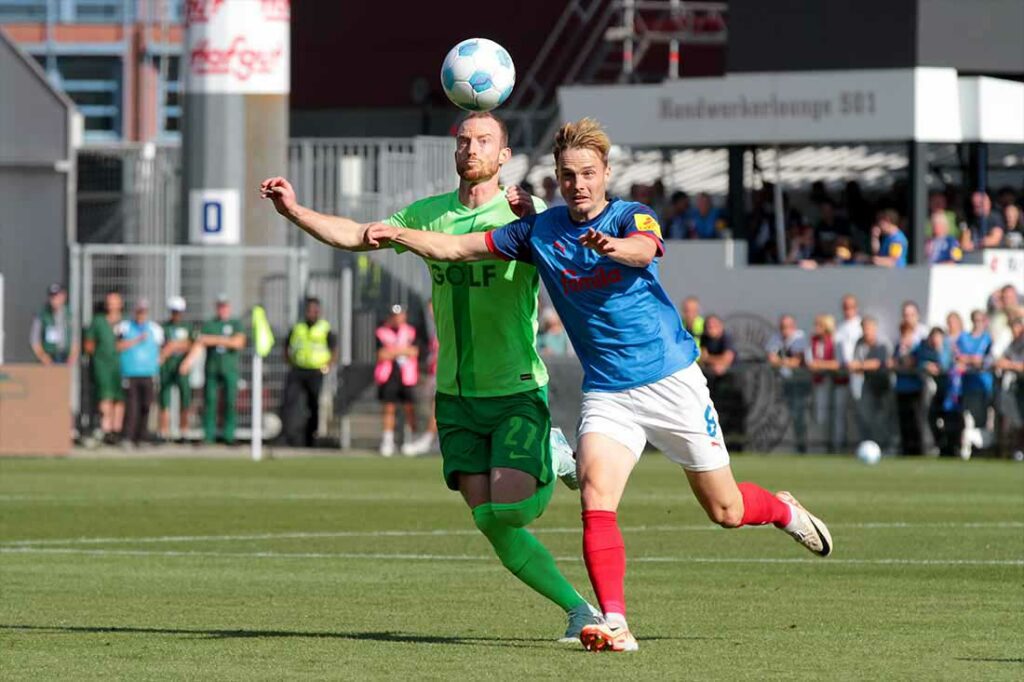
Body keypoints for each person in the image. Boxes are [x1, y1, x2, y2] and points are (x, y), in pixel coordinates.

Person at [366, 117, 834, 653]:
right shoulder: (540, 231)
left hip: (672, 382)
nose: (579, 184)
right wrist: (400, 233)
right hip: (609, 392)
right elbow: (458, 248)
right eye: (568, 175)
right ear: (557, 181)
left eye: (588, 173)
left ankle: (784, 511)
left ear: (606, 173)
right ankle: (615, 622)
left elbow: (642, 250)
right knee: (595, 495)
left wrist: (612, 247)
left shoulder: (632, 215)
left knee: (725, 511)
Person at [260, 111, 600, 643]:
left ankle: (554, 453)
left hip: (514, 388)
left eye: (484, 141)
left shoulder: (525, 215)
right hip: (455, 396)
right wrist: (294, 209)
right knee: (487, 521)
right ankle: (580, 610)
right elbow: (354, 234)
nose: (470, 148)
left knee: (510, 507)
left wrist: (534, 209)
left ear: (504, 156)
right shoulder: (429, 214)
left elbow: (572, 239)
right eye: (463, 140)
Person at [283, 296, 337, 447]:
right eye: (309, 310)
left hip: (316, 371)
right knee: (290, 402)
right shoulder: (298, 327)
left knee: (313, 405)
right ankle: (289, 436)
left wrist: (327, 365)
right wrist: (289, 362)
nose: (312, 313)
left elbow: (333, 349)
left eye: (315, 310)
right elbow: (286, 345)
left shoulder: (324, 328)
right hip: (298, 369)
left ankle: (311, 438)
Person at [196, 295, 246, 445]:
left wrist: (216, 339)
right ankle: (208, 435)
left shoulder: (236, 323)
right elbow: (202, 340)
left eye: (225, 306)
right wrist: (226, 340)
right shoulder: (210, 323)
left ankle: (228, 435)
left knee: (230, 401)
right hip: (212, 369)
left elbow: (238, 343)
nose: (222, 309)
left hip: (230, 369)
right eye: (220, 306)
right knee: (210, 401)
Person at [115, 299, 163, 447]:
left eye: (144, 312)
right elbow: (118, 346)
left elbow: (161, 348)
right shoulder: (125, 327)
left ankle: (143, 437)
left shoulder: (155, 329)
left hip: (148, 373)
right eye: (139, 311)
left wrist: (157, 363)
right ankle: (128, 437)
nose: (141, 315)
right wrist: (137, 340)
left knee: (146, 405)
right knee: (132, 406)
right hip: (130, 372)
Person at [374, 304, 419, 456]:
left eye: (400, 315)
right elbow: (382, 354)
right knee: (389, 408)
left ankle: (410, 440)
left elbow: (415, 351)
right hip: (388, 375)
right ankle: (388, 441)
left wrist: (393, 350)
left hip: (407, 375)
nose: (397, 318)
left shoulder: (411, 331)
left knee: (409, 409)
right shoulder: (381, 332)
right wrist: (402, 351)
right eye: (394, 315)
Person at [766, 314, 812, 453]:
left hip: (800, 384)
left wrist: (781, 361)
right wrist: (785, 362)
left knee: (800, 416)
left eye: (787, 327)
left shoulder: (800, 338)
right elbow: (770, 359)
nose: (784, 330)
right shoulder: (776, 338)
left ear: (794, 327)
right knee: (788, 416)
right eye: (782, 327)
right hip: (784, 383)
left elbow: (797, 361)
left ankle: (802, 446)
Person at [84, 292, 125, 444]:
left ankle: (117, 429)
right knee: (105, 396)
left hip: (120, 365)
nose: (111, 304)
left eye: (115, 301)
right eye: (109, 301)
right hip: (103, 365)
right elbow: (89, 344)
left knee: (119, 398)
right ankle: (106, 429)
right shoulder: (99, 321)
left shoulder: (124, 323)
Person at [699, 315, 745, 450]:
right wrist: (715, 362)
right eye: (708, 326)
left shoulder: (727, 338)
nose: (710, 329)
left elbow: (726, 360)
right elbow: (702, 358)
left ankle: (736, 446)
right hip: (714, 384)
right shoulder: (704, 338)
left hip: (732, 384)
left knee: (733, 416)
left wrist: (711, 359)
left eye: (713, 326)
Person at [849, 317, 892, 448]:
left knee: (882, 418)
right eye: (864, 328)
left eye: (869, 328)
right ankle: (868, 444)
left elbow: (879, 363)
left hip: (882, 384)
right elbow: (854, 365)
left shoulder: (883, 343)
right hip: (867, 383)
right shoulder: (860, 343)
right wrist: (862, 366)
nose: (866, 331)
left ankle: (884, 445)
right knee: (865, 415)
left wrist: (862, 365)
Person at [158, 296, 194, 443]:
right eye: (174, 311)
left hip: (182, 368)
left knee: (185, 400)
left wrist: (175, 345)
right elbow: (161, 347)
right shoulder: (164, 327)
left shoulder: (188, 327)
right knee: (164, 400)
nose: (176, 314)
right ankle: (164, 432)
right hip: (167, 368)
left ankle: (184, 431)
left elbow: (192, 344)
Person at [807, 314, 842, 452]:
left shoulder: (834, 341)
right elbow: (810, 361)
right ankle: (821, 446)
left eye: (819, 325)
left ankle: (838, 447)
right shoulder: (813, 341)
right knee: (821, 415)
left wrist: (821, 365)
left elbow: (838, 363)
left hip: (837, 382)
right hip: (820, 382)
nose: (816, 328)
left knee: (838, 416)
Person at [957, 310, 994, 441]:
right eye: (976, 320)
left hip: (983, 384)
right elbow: (959, 357)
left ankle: (981, 446)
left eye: (981, 320)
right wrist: (974, 360)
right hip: (967, 384)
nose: (978, 323)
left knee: (982, 418)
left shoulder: (987, 338)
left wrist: (971, 360)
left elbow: (986, 360)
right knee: (967, 418)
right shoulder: (963, 337)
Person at [892, 321, 924, 455]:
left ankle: (917, 450)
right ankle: (906, 449)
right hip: (901, 388)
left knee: (915, 420)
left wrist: (903, 361)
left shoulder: (916, 347)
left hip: (914, 388)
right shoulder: (898, 347)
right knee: (903, 420)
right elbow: (894, 363)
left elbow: (913, 362)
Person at [994, 316, 1024, 459]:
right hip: (1016, 387)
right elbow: (999, 360)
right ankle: (1014, 450)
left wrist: (1010, 365)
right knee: (1015, 419)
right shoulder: (1012, 344)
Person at [30, 283, 77, 366]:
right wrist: (43, 357)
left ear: (63, 297)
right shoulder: (42, 315)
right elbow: (34, 340)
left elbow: (75, 337)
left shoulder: (69, 315)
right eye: (52, 297)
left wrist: (72, 356)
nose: (54, 300)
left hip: (65, 356)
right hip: (48, 356)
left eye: (57, 296)